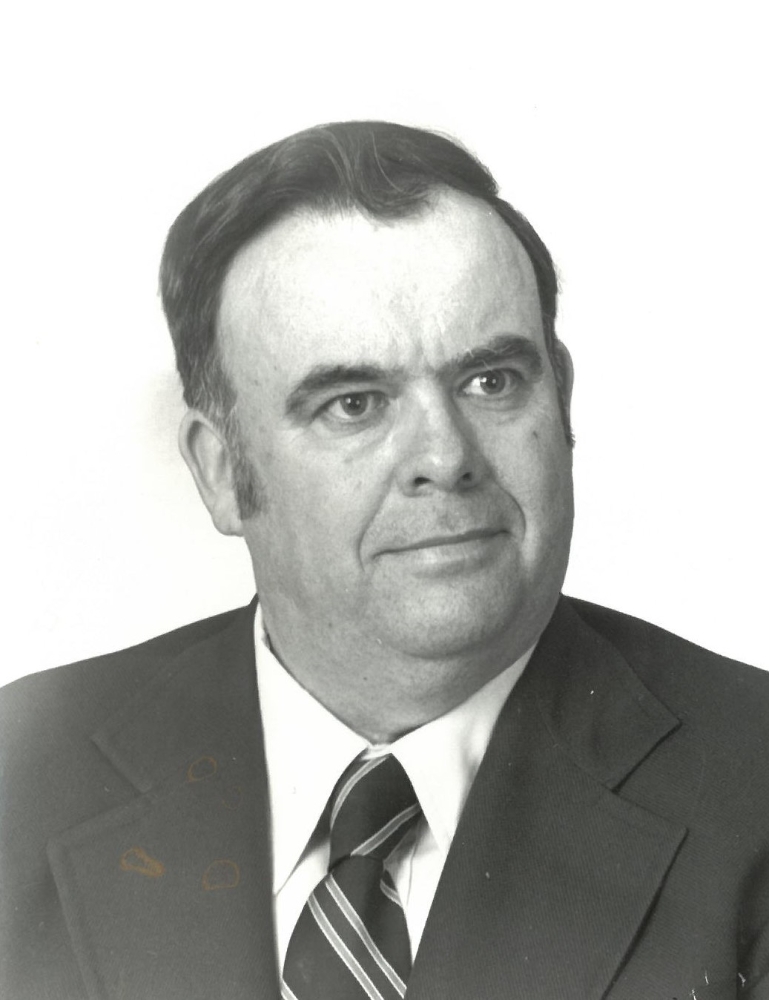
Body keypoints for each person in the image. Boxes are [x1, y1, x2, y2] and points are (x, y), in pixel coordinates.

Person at [1, 121, 767, 1000]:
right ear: (220, 473)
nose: (445, 456)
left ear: (561, 402)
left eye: (491, 382)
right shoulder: (22, 774)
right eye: (354, 404)